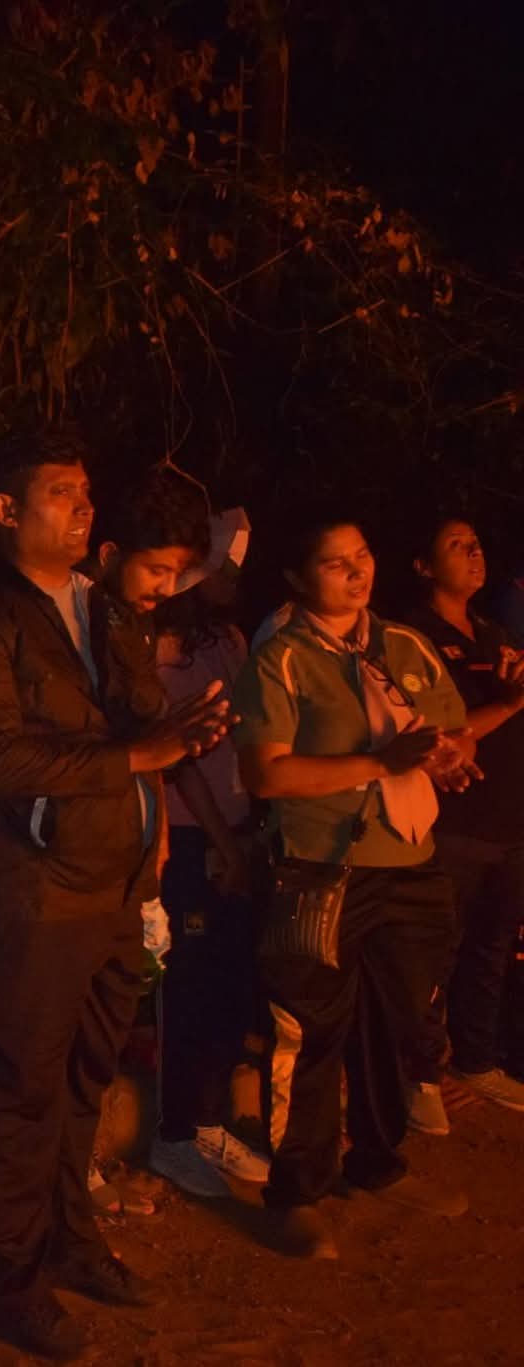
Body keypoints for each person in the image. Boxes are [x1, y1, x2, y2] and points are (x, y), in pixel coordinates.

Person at [0, 430, 229, 1361]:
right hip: (34, 896)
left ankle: (70, 1238)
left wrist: (180, 730)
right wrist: (137, 754)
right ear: (6, 510)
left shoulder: (102, 606)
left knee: (80, 1083)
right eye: (60, 492)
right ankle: (10, 1282)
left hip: (114, 887)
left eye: (87, 492)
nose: (82, 507)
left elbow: (137, 723)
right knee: (20, 1093)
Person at [235, 510, 475, 1260]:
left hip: (409, 861)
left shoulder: (403, 644)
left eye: (362, 554)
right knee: (310, 1032)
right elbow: (266, 775)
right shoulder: (281, 658)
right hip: (322, 866)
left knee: (398, 1021)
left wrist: (449, 755)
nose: (356, 570)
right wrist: (380, 763)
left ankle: (378, 1160)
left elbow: (450, 729)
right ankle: (297, 1191)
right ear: (297, 578)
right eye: (335, 561)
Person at [93, 474, 273, 1196]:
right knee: (187, 988)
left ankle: (207, 1122)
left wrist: (248, 834)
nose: (230, 578)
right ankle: (174, 1132)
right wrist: (223, 845)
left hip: (234, 831)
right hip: (193, 838)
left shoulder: (227, 639)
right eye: (220, 566)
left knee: (228, 985)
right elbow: (177, 757)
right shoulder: (159, 647)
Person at [400, 514, 524, 1112]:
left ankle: (475, 1060)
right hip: (452, 822)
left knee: (491, 950)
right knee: (434, 952)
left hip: (508, 821)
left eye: (476, 543)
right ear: (424, 566)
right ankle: (419, 1073)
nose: (475, 552)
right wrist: (510, 702)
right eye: (457, 545)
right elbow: (441, 734)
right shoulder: (413, 638)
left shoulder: (495, 634)